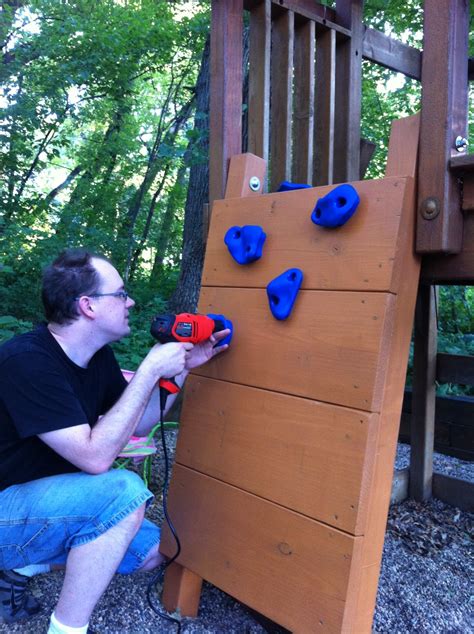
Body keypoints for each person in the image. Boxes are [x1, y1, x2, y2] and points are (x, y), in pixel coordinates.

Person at [0, 248, 229, 633]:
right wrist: (148, 369)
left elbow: (139, 424)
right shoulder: (27, 360)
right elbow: (95, 458)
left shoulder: (97, 358)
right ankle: (66, 629)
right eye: (120, 293)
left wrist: (180, 372)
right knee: (124, 491)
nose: (131, 301)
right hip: (6, 502)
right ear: (87, 305)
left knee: (153, 550)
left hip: (47, 500)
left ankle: (21, 565)